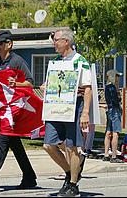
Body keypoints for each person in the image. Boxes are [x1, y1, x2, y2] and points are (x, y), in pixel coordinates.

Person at [0, 30, 37, 193]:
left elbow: (30, 83)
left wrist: (16, 84)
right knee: (14, 143)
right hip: (3, 111)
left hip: (15, 111)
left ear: (9, 44)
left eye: (0, 43)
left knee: (2, 143)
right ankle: (29, 177)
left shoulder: (17, 61)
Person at [42, 29, 92, 197]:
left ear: (66, 41)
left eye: (56, 40)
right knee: (49, 145)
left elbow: (88, 88)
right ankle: (71, 173)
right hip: (55, 106)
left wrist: (85, 112)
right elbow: (51, 83)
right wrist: (46, 86)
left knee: (72, 146)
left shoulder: (80, 61)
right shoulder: (55, 62)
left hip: (73, 107)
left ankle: (72, 184)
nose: (53, 43)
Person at [103, 69, 123, 163]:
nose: (118, 78)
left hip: (109, 110)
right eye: (117, 76)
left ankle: (106, 154)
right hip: (115, 110)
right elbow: (116, 99)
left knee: (108, 131)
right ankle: (114, 156)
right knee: (115, 132)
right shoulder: (112, 87)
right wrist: (118, 97)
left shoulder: (107, 87)